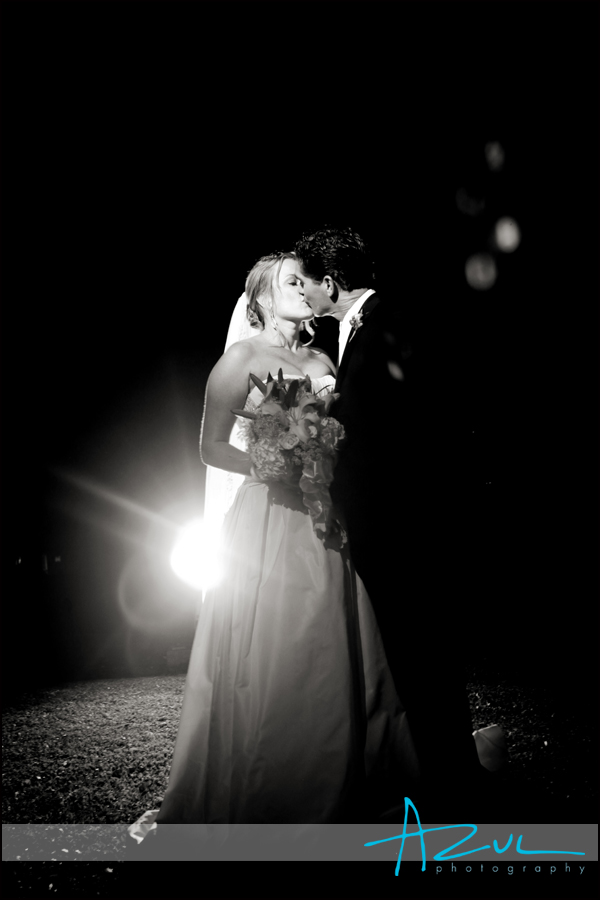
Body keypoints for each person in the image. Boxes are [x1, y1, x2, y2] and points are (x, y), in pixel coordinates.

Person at [137, 251, 422, 828]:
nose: (301, 288)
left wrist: (326, 458)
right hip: (268, 514)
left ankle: (344, 769)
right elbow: (210, 446)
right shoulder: (239, 359)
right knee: (276, 645)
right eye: (289, 282)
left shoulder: (326, 357)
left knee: (330, 639)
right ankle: (278, 781)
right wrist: (267, 462)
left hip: (324, 513)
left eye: (304, 280)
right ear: (262, 298)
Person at [294, 226, 492, 820]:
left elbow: (424, 425)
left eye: (305, 283)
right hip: (382, 528)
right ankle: (446, 777)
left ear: (331, 284)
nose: (302, 294)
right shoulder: (356, 332)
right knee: (411, 658)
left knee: (424, 657)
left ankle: (455, 789)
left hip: (406, 530)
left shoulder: (393, 322)